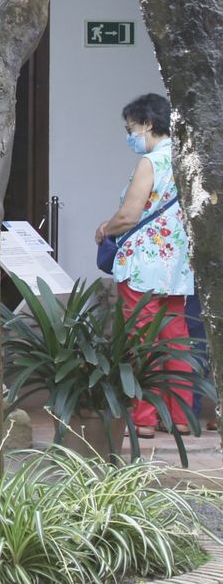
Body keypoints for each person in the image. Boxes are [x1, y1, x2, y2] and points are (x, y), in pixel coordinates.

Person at [94, 93, 195, 438]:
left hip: (143, 265)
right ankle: (181, 416)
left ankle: (144, 417)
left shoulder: (151, 162)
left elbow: (130, 215)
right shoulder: (186, 159)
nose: (130, 136)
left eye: (131, 128)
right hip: (176, 265)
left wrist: (106, 228)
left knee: (140, 341)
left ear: (148, 124)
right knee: (176, 340)